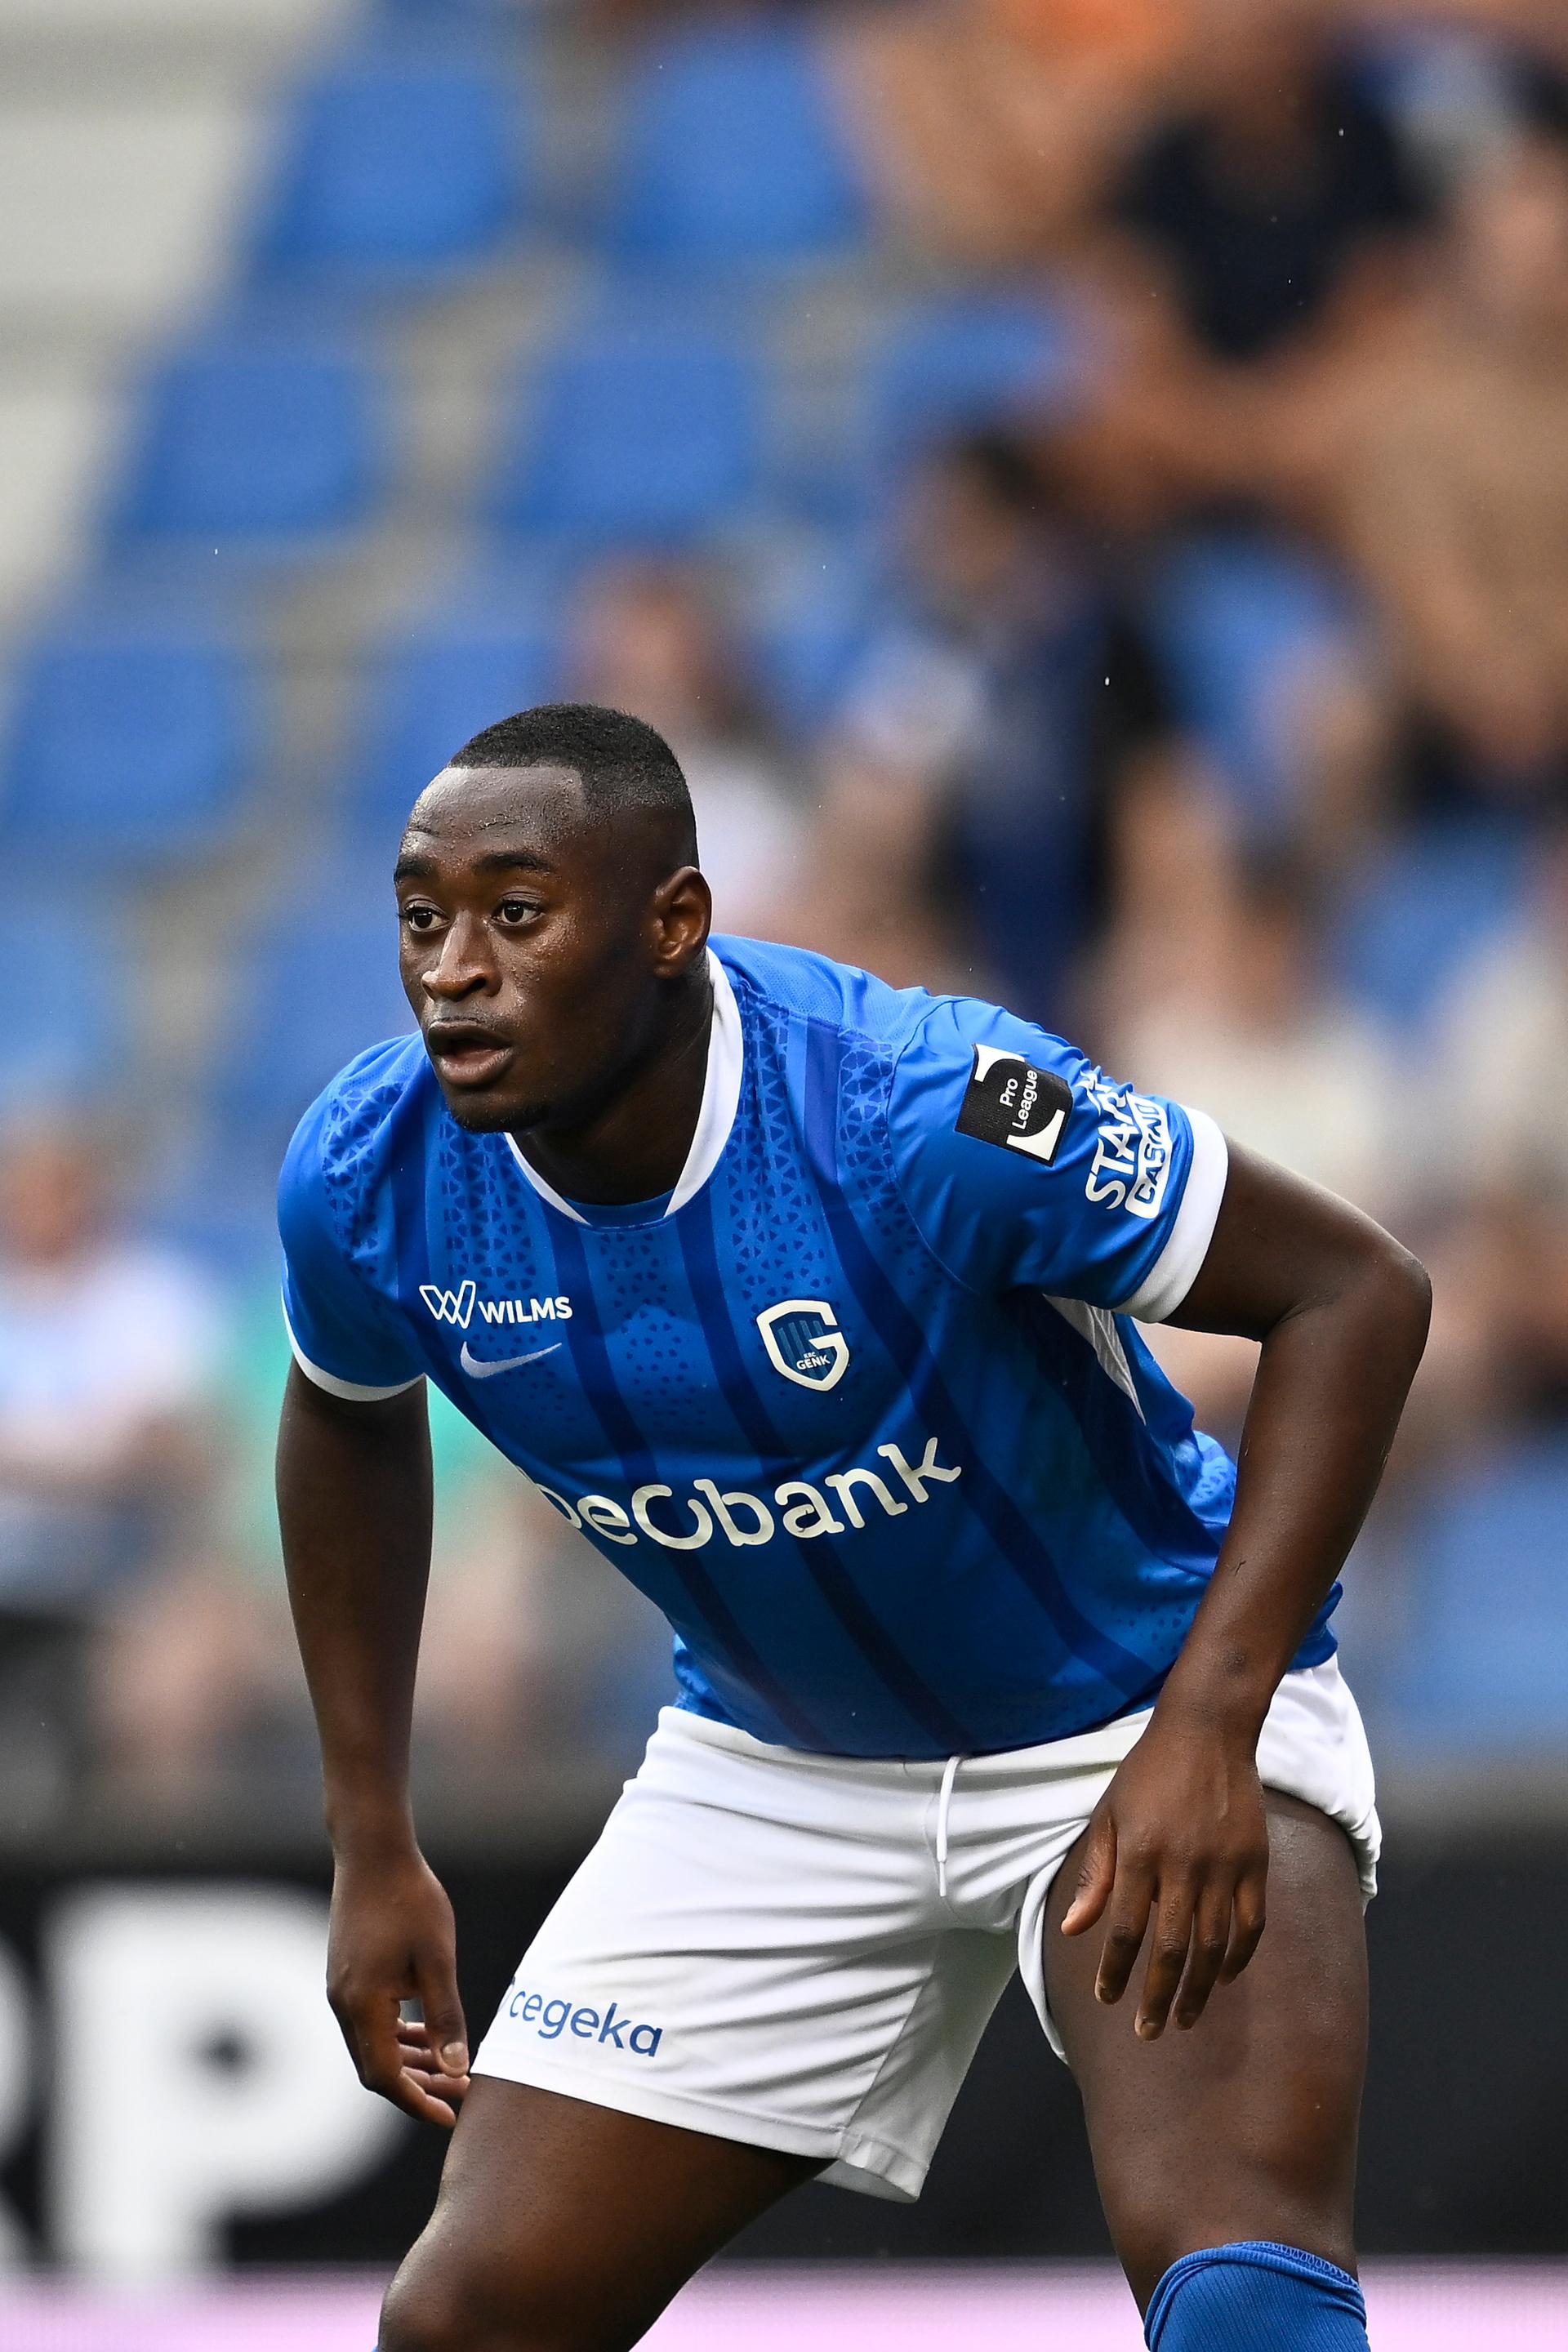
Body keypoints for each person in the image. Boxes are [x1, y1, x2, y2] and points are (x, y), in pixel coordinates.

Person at [275, 704, 1430, 2352]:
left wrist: (1211, 1724)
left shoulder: (927, 1107)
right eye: (422, 919)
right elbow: (342, 1413)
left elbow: (1355, 1289)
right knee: (466, 2324)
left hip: (1132, 1717)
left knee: (1244, 2303)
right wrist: (371, 1834)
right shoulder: (372, 1174)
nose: (453, 969)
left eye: (516, 914)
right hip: (774, 1767)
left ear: (674, 923)